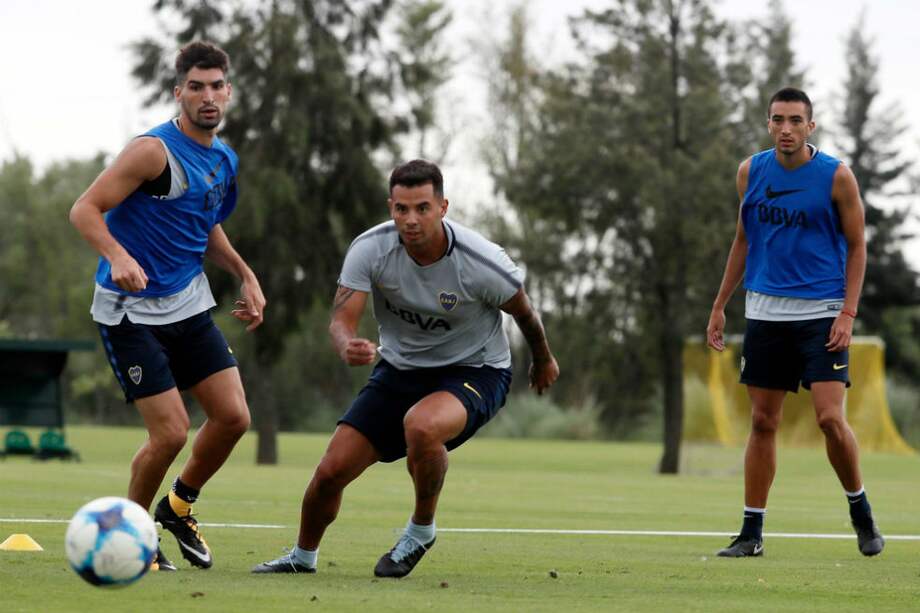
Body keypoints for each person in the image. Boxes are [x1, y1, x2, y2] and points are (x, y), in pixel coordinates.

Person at [252, 159, 559, 578]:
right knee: (329, 473)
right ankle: (302, 557)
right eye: (401, 209)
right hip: (400, 370)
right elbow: (341, 321)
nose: (410, 220)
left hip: (476, 369)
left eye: (422, 208)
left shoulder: (481, 262)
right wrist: (347, 345)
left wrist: (542, 358)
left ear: (443, 207)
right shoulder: (370, 249)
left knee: (422, 426)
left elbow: (525, 313)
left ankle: (420, 530)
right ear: (391, 207)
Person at [70, 41, 265, 571]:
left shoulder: (224, 159)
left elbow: (204, 227)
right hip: (129, 312)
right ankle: (135, 540)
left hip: (187, 305)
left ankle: (178, 507)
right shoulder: (152, 152)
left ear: (229, 92)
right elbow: (84, 209)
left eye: (216, 86)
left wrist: (245, 275)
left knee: (231, 417)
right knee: (172, 432)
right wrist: (116, 254)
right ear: (178, 92)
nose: (207, 96)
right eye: (195, 87)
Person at [706, 87, 883, 558]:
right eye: (778, 120)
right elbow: (743, 238)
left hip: (822, 312)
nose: (786, 128)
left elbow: (859, 247)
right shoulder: (750, 172)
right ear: (768, 124)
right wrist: (721, 303)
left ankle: (860, 510)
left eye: (795, 120)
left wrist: (847, 312)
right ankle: (751, 533)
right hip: (764, 311)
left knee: (829, 418)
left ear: (811, 126)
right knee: (763, 422)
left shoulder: (836, 177)